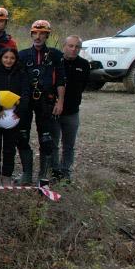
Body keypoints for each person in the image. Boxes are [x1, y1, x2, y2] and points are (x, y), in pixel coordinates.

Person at [19, 19, 66, 182]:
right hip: (26, 101)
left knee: (46, 138)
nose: (38, 37)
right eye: (35, 33)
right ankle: (26, 174)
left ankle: (43, 175)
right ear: (31, 34)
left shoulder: (56, 55)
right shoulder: (23, 55)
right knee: (22, 136)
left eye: (42, 34)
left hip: (47, 101)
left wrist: (60, 102)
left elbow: (61, 80)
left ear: (47, 35)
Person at [0, 45, 32, 184]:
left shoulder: (21, 74)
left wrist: (19, 111)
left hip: (14, 117)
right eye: (6, 57)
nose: (9, 60)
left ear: (16, 60)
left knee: (10, 149)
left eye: (12, 58)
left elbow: (26, 94)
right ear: (1, 58)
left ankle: (7, 176)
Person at [55, 35, 90, 181]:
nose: (74, 49)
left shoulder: (84, 64)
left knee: (69, 144)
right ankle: (53, 170)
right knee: (53, 143)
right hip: (55, 110)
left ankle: (65, 170)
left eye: (77, 47)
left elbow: (83, 86)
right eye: (71, 46)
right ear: (64, 46)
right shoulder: (56, 61)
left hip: (72, 111)